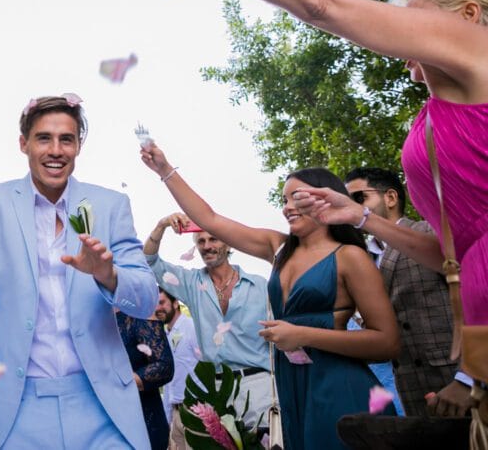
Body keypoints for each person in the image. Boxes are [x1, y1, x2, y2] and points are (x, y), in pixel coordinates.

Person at [167, 0, 488, 327]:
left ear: (469, 16)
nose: (406, 32)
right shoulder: (432, 118)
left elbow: (320, 5)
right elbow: (448, 255)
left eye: (419, 18)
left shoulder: (479, 52)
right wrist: (362, 216)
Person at [142, 143, 401, 450]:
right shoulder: (277, 248)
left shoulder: (350, 257)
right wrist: (164, 170)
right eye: (284, 199)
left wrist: (303, 334)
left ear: (327, 198)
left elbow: (388, 342)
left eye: (297, 197)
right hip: (289, 390)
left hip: (337, 388)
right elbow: (210, 219)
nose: (287, 206)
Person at [0, 95, 157, 450]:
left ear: (78, 145)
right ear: (24, 144)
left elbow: (146, 299)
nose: (56, 150)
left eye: (67, 139)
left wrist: (108, 275)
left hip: (103, 405)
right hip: (14, 408)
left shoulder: (111, 205)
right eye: (44, 138)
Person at [344, 167, 463, 416]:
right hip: (410, 389)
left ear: (390, 197)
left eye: (359, 198)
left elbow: (473, 300)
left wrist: (468, 377)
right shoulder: (359, 258)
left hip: (459, 380)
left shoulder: (430, 233)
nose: (350, 207)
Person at [144, 215, 272, 436]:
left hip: (260, 386)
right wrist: (162, 225)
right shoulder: (191, 284)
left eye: (213, 239)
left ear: (228, 242)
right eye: (200, 241)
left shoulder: (260, 286)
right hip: (218, 392)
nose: (207, 246)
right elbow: (149, 260)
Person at [116, 309, 173, 450]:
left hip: (142, 417)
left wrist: (117, 383)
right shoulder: (84, 316)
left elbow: (164, 365)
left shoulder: (138, 310)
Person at [154, 290, 200, 449]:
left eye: (161, 302)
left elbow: (208, 366)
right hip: (175, 413)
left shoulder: (192, 328)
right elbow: (169, 382)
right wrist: (168, 421)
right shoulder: (165, 335)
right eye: (155, 304)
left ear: (175, 303)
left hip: (195, 410)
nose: (157, 308)